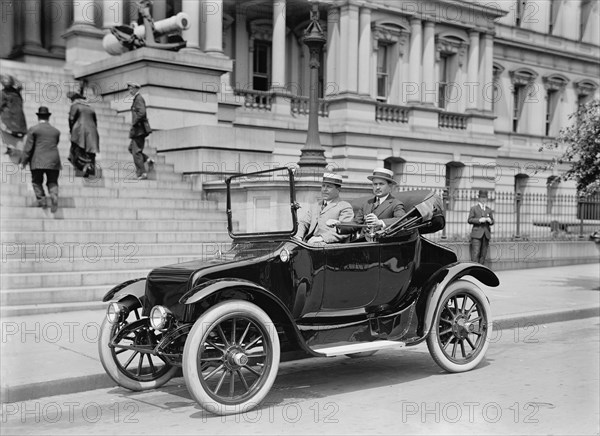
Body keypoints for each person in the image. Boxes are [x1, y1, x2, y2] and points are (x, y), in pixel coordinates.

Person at [330, 168, 405, 236]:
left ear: (390, 186)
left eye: (381, 184)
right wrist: (339, 224)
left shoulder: (395, 204)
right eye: (375, 184)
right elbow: (356, 223)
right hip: (363, 243)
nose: (377, 187)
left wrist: (380, 222)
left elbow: (402, 220)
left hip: (383, 245)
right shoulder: (367, 203)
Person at [19, 106, 62, 213]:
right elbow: (56, 143)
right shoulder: (56, 131)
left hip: (37, 160)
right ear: (48, 117)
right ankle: (53, 195)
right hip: (54, 160)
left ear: (38, 117)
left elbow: (28, 147)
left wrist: (23, 161)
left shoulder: (33, 130)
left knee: (37, 181)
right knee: (52, 181)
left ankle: (42, 200)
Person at [294, 173, 354, 245]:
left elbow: (345, 230)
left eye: (329, 187)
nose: (325, 189)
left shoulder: (344, 206)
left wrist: (322, 238)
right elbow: (303, 222)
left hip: (329, 244)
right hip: (309, 242)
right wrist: (298, 236)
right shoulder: (316, 205)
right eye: (323, 186)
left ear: (338, 189)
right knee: (286, 247)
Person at [67, 91, 99, 178]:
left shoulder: (75, 106)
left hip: (79, 131)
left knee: (77, 150)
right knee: (90, 152)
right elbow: (95, 122)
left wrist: (71, 130)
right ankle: (89, 169)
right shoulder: (90, 108)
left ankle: (81, 168)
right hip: (92, 132)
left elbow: (71, 119)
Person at [127, 81, 153, 180]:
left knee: (136, 152)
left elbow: (142, 113)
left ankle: (142, 173)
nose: (130, 90)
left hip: (138, 130)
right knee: (131, 149)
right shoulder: (136, 99)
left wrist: (134, 122)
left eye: (131, 88)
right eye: (129, 88)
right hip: (138, 130)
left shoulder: (139, 98)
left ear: (136, 89)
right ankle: (147, 159)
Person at [0, 74, 27, 156]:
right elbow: (20, 85)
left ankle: (10, 148)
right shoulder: (17, 93)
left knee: (4, 130)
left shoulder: (3, 93)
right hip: (20, 123)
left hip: (9, 121)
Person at [468, 189, 495, 265]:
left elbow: (493, 221)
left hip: (486, 235)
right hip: (476, 235)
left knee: (483, 255)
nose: (483, 199)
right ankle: (473, 270)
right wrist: (479, 220)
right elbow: (470, 220)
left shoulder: (488, 209)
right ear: (478, 198)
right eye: (482, 197)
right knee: (475, 253)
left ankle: (480, 271)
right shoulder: (474, 208)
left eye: (485, 198)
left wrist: (490, 221)